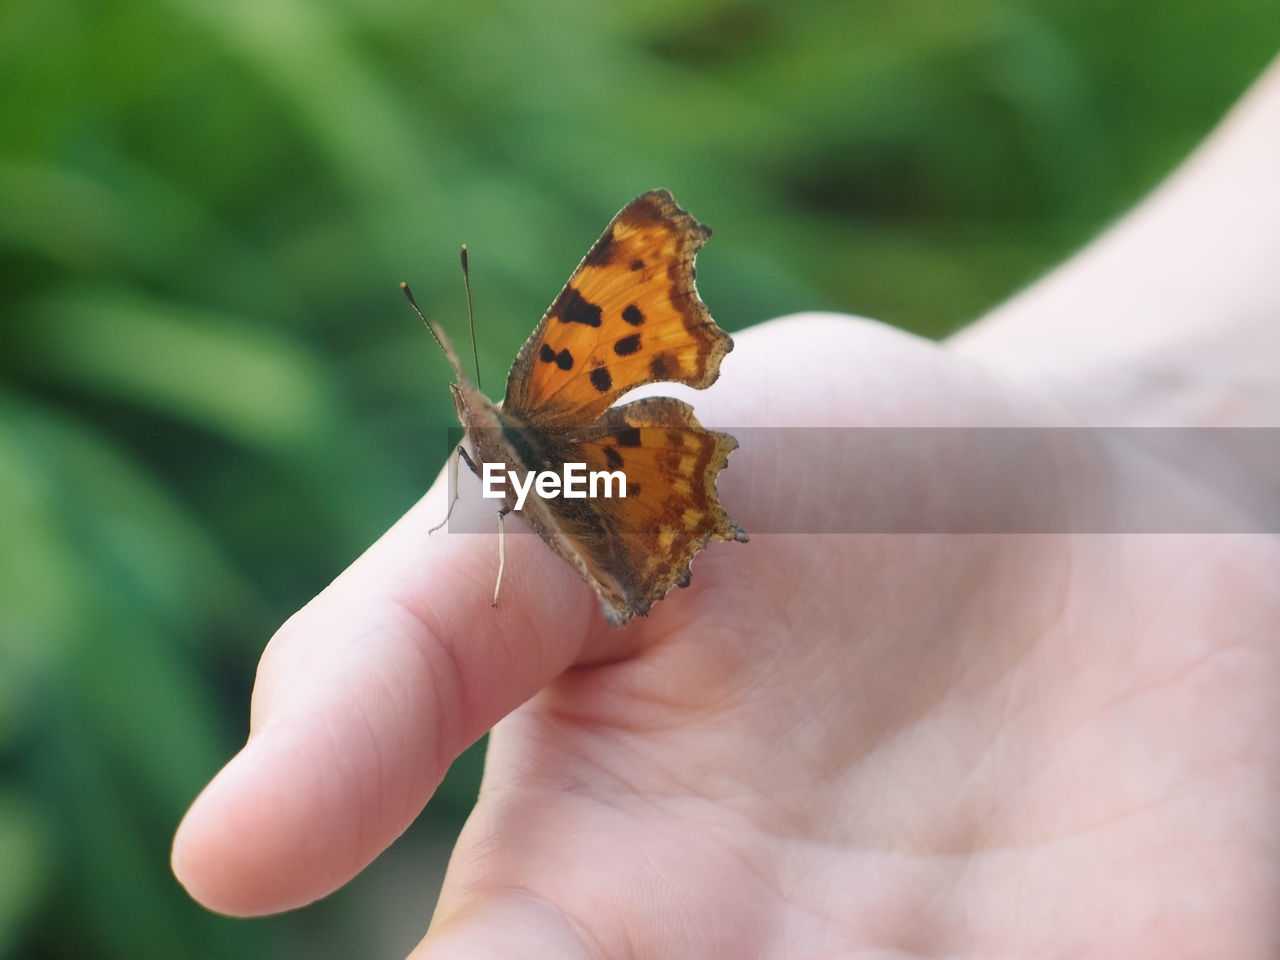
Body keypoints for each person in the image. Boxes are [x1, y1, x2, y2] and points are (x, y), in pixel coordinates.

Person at [172, 56, 1280, 958]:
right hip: (617, 473)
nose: (473, 417)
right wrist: (1113, 431)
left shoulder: (511, 433)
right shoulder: (511, 433)